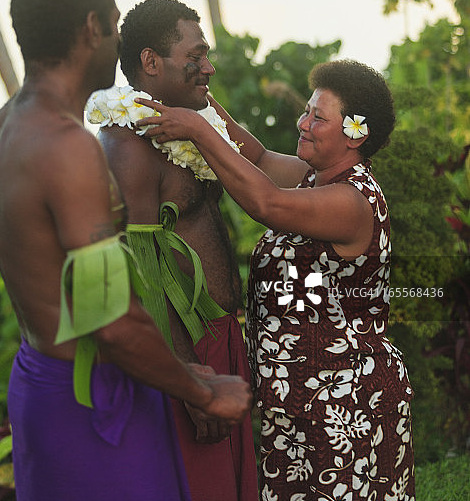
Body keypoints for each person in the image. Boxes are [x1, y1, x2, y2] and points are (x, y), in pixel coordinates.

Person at [0, 0, 251, 501]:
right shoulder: (68, 146)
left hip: (37, 380)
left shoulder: (3, 126)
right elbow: (111, 320)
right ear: (91, 28)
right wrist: (199, 389)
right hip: (93, 397)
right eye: (115, 21)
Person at [135, 59, 416, 501]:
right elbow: (259, 157)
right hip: (301, 407)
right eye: (307, 110)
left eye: (318, 118)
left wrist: (197, 130)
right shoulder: (314, 181)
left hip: (347, 409)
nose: (302, 123)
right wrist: (200, 100)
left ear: (354, 134)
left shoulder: (352, 201)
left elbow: (266, 204)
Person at [87, 0, 258, 501]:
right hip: (185, 350)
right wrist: (189, 381)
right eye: (196, 53)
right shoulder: (127, 143)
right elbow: (137, 271)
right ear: (150, 62)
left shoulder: (195, 122)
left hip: (224, 340)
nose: (208, 65)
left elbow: (267, 171)